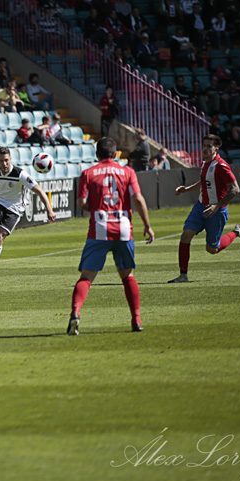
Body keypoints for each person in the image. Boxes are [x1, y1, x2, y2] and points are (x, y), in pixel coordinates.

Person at [68, 137, 155, 335]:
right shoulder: (128, 172)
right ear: (115, 154)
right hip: (123, 229)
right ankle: (136, 320)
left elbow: (81, 202)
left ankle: (75, 313)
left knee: (86, 277)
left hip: (99, 229)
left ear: (97, 155)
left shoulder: (88, 173)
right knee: (127, 275)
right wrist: (147, 225)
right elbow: (138, 198)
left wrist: (96, 208)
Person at [0, 147, 56, 285]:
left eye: (6, 160)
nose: (4, 164)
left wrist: (49, 209)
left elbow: (39, 190)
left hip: (15, 209)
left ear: (10, 159)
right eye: (1, 161)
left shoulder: (20, 174)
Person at [170, 135, 240, 283]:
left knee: (212, 249)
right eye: (204, 145)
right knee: (185, 236)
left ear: (216, 149)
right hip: (200, 207)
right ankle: (183, 275)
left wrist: (217, 205)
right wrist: (186, 189)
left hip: (216, 212)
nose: (205, 149)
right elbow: (204, 182)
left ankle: (237, 231)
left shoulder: (221, 166)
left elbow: (235, 189)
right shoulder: (205, 163)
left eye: (209, 146)